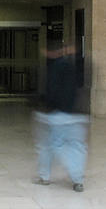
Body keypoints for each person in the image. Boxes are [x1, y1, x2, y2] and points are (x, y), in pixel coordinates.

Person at [35, 43, 88, 192]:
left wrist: (47, 107)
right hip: (77, 114)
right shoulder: (76, 63)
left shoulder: (57, 66)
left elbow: (53, 90)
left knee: (54, 145)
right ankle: (77, 179)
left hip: (60, 114)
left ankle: (45, 177)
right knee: (76, 147)